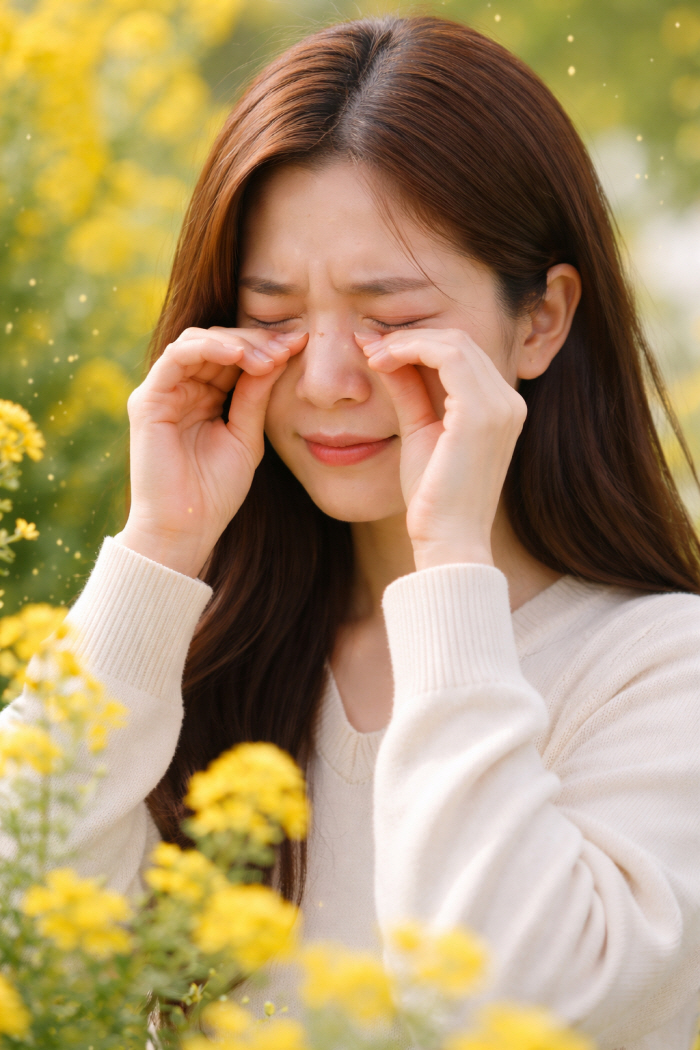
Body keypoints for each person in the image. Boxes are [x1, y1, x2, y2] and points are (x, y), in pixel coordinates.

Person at [4, 14, 700, 1048]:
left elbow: (506, 1013)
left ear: (541, 320)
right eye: (273, 312)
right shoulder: (200, 657)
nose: (327, 382)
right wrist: (158, 548)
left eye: (389, 313)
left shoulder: (658, 670)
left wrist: (448, 560)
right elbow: (26, 948)